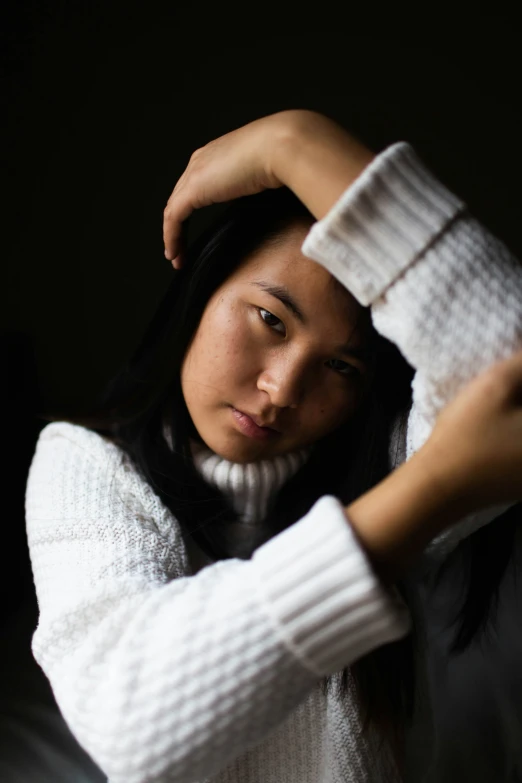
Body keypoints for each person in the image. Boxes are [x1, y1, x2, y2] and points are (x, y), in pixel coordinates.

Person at [25, 109, 522, 783]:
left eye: (342, 367)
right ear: (201, 290)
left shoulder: (384, 459)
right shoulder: (84, 465)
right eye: (270, 318)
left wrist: (294, 143)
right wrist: (430, 493)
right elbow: (132, 721)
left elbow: (508, 376)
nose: (284, 388)